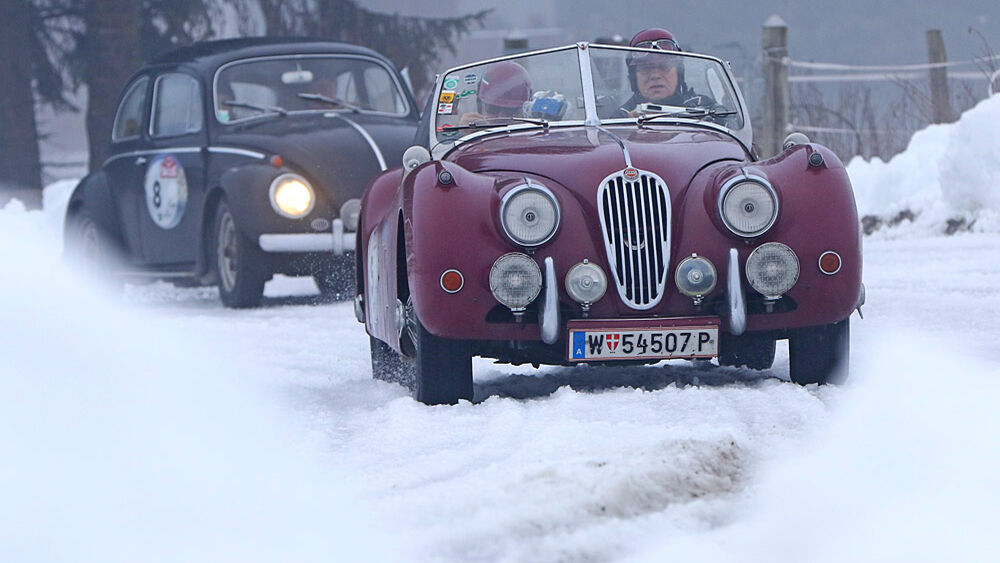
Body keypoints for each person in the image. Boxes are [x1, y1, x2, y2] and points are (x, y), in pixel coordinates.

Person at [618, 28, 709, 117]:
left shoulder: (705, 108)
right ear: (634, 79)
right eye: (646, 69)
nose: (655, 76)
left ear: (679, 73)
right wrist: (628, 127)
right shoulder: (620, 117)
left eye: (664, 67)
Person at [458, 61, 532, 125]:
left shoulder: (537, 133)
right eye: (493, 109)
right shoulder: (472, 135)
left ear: (526, 111)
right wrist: (462, 133)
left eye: (511, 110)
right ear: (480, 107)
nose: (502, 117)